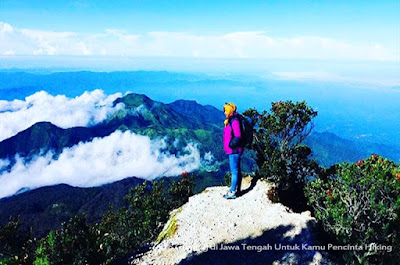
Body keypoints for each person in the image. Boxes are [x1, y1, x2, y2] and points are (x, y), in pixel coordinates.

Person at [222, 102, 243, 199]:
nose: (225, 113)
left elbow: (238, 136)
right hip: (233, 150)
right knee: (236, 171)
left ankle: (232, 192)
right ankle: (236, 189)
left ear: (230, 111)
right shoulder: (230, 120)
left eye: (226, 111)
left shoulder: (234, 121)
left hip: (234, 151)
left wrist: (231, 145)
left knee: (234, 171)